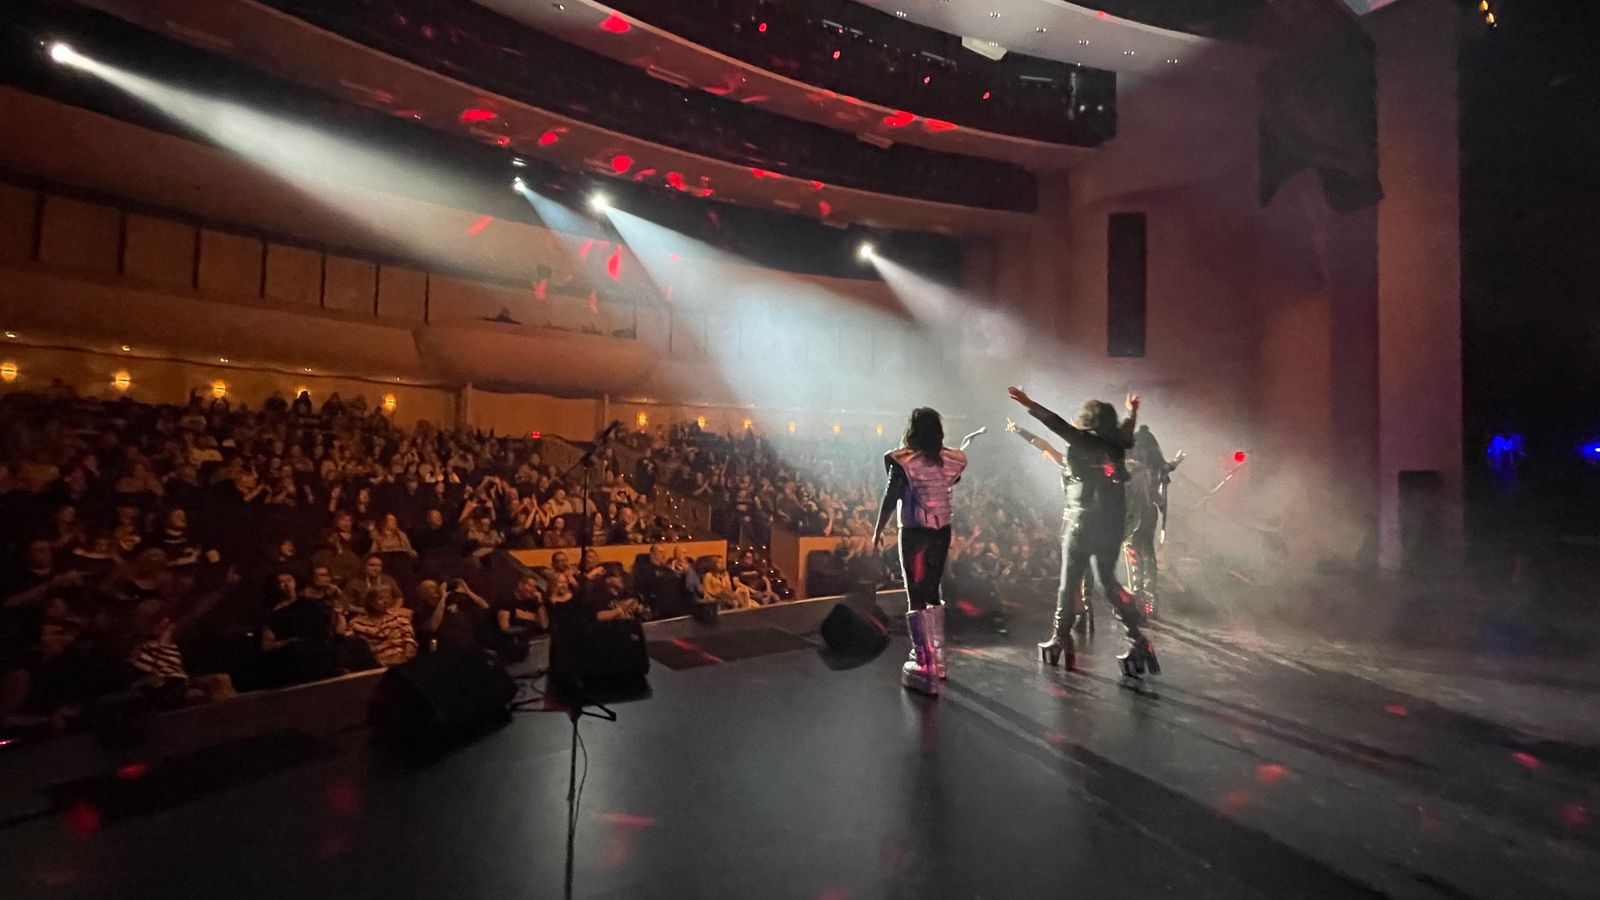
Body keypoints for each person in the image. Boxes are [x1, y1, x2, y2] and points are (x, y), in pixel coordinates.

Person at [1006, 386, 1157, 677]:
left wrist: (1029, 403)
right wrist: (1131, 413)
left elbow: (1056, 423)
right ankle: (1137, 639)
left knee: (1069, 581)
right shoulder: (1118, 444)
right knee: (1106, 582)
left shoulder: (1084, 441)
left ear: (1089, 420)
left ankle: (1059, 639)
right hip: (1111, 524)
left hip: (1083, 520)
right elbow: (1126, 431)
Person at [871, 408, 983, 696]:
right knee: (933, 590)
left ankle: (924, 663)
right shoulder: (949, 460)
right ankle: (938, 659)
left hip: (914, 533)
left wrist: (878, 529)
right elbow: (951, 480)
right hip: (941, 532)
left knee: (916, 594)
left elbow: (891, 497)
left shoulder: (904, 461)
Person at [1124, 425, 1185, 616]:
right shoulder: (1157, 462)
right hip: (1150, 512)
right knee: (1147, 552)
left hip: (1135, 511)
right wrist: (1177, 460)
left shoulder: (1132, 461)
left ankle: (1138, 594)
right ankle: (1150, 598)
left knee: (1134, 551)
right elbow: (1168, 468)